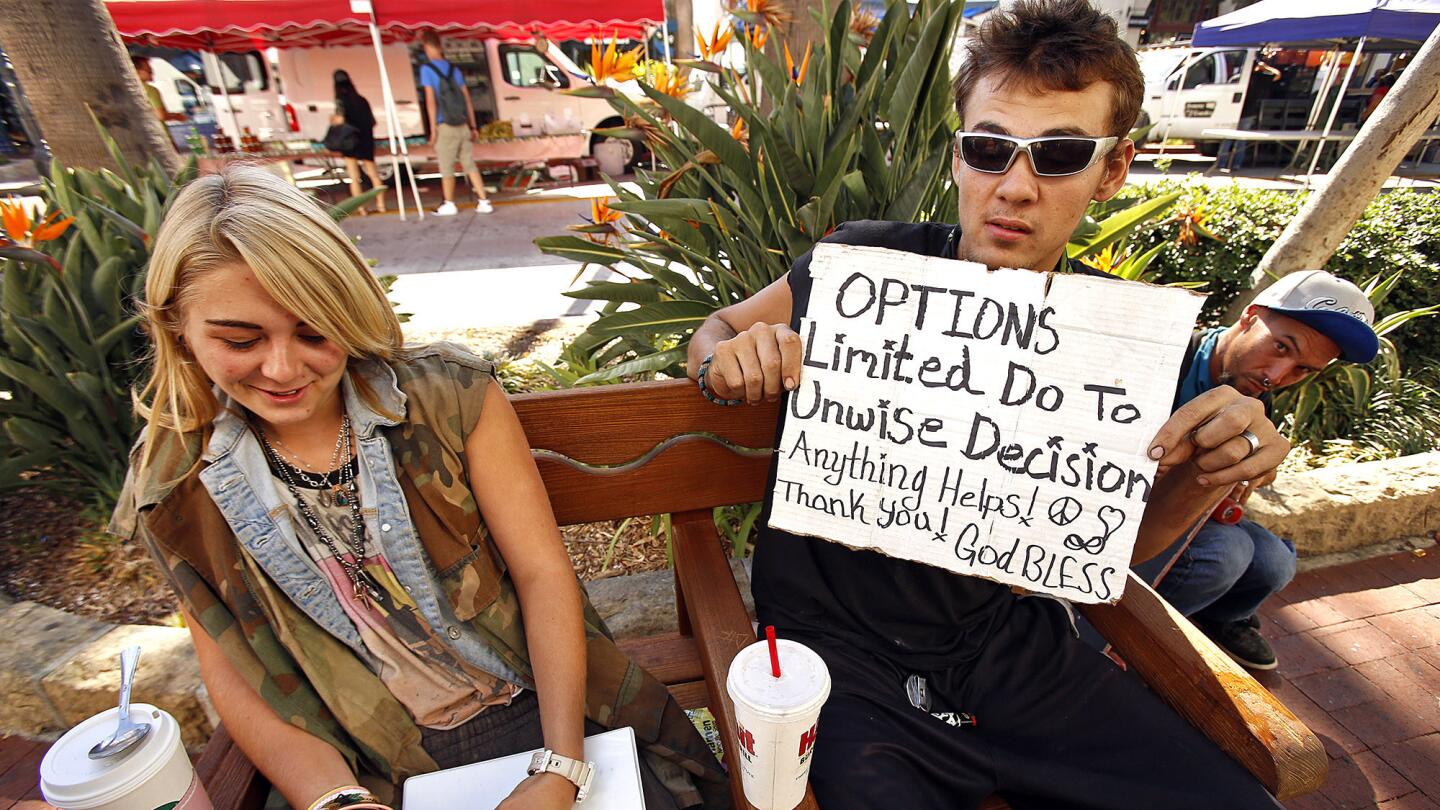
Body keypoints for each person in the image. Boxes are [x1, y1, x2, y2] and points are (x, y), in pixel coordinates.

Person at [686, 1, 1290, 807]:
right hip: (832, 654)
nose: (1015, 186)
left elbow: (1110, 551)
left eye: (1061, 154)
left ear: (1112, 170)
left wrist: (1210, 472)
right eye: (990, 147)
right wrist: (722, 360)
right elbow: (721, 327)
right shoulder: (864, 264)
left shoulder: (1117, 336)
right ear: (960, 156)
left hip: (1012, 651)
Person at [108, 166, 725, 810]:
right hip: (368, 761)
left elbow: (544, 576)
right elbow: (237, 672)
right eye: (241, 339)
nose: (283, 368)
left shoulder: (446, 398)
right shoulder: (174, 486)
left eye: (315, 331)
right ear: (177, 323)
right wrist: (335, 801)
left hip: (545, 707)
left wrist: (560, 768)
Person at [1137, 270, 1380, 670]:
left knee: (1275, 561)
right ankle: (1129, 635)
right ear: (1250, 316)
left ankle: (1217, 618)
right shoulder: (1162, 355)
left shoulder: (1259, 395)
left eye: (1302, 369)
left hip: (1187, 518)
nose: (1277, 376)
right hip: (1123, 519)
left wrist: (1252, 471)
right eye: (1281, 346)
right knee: (1226, 556)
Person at [416, 30, 493, 215]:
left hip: (446, 126)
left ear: (427, 47)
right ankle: (484, 201)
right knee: (469, 164)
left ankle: (449, 203)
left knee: (447, 166)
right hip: (463, 125)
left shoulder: (427, 70)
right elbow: (467, 99)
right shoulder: (454, 69)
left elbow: (431, 102)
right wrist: (473, 125)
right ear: (440, 46)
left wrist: (433, 129)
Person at [332, 71, 387, 216]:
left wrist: (332, 120)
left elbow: (340, 121)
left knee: (354, 177)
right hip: (366, 140)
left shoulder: (340, 101)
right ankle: (381, 205)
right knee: (374, 175)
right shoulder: (362, 100)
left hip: (350, 142)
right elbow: (373, 122)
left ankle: (361, 208)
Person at [132, 56, 184, 124]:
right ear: (137, 71)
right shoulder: (150, 90)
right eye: (149, 71)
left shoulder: (121, 89)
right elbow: (160, 115)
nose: (152, 74)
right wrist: (176, 116)